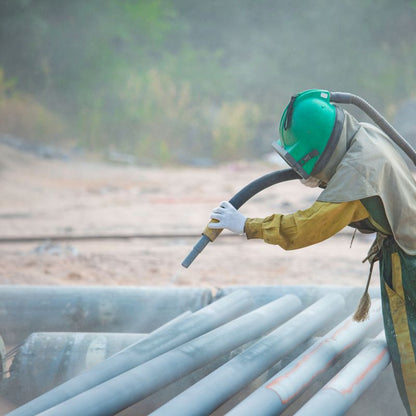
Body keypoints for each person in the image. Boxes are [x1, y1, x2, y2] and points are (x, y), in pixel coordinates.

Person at [209, 89, 416, 415]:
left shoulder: (356, 176)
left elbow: (306, 227)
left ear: (319, 150)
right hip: (408, 246)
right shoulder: (365, 135)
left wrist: (247, 225)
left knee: (410, 352)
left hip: (409, 263)